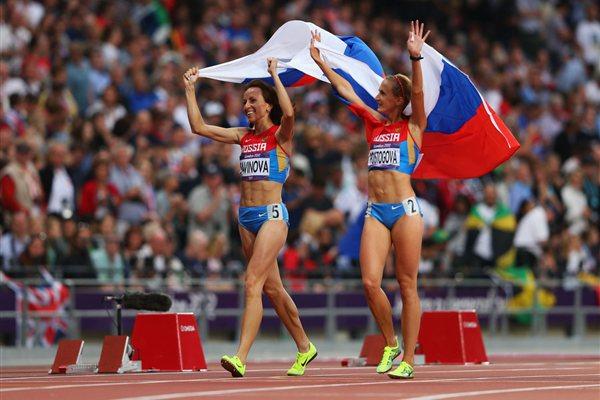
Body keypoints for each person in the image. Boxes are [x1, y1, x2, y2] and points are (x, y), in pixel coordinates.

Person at [310, 20, 429, 379]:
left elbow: (419, 94)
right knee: (369, 283)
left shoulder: (413, 127)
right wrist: (321, 63)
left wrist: (416, 59)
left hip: (405, 211)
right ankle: (390, 342)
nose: (376, 96)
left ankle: (408, 358)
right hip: (376, 211)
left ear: (399, 100)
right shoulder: (374, 123)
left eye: (382, 93)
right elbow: (346, 90)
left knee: (407, 285)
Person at [183, 58, 316, 378]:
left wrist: (273, 75)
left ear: (267, 105)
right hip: (246, 219)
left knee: (252, 282)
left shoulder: (281, 136)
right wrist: (189, 90)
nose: (246, 105)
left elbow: (290, 113)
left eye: (253, 100)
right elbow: (199, 127)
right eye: (244, 101)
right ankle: (305, 346)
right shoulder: (243, 136)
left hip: (272, 216)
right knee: (273, 290)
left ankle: (241, 356)